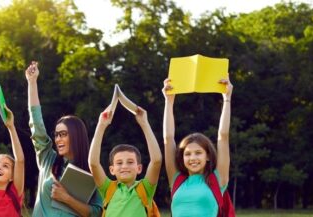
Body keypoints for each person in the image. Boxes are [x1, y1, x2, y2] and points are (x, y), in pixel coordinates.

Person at [25, 61, 103, 217]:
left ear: (76, 136)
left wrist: (67, 199)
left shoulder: (91, 171)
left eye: (63, 134)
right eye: (56, 135)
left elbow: (97, 212)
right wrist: (32, 83)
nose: (58, 139)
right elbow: (37, 126)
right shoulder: (48, 160)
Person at [162, 78, 233, 217]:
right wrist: (168, 102)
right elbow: (168, 138)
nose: (192, 158)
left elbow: (223, 136)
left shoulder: (218, 179)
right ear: (182, 158)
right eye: (187, 154)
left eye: (198, 153)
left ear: (207, 156)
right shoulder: (176, 179)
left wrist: (227, 99)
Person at [88, 105, 162, 217]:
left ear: (139, 168)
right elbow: (93, 164)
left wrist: (144, 123)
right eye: (119, 163)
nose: (124, 166)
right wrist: (101, 125)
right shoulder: (108, 188)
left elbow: (156, 161)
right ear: (112, 170)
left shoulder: (145, 189)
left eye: (130, 162)